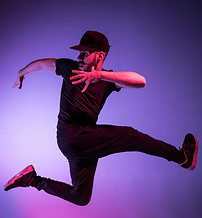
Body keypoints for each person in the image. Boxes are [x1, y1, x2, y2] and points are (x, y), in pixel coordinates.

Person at [4, 31, 198, 206]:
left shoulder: (107, 80)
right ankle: (182, 158)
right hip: (73, 136)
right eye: (79, 53)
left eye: (85, 53)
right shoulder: (69, 67)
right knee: (130, 135)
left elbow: (141, 81)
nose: (79, 57)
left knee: (80, 197)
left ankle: (32, 179)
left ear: (100, 56)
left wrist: (102, 76)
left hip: (81, 142)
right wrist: (22, 73)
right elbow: (42, 63)